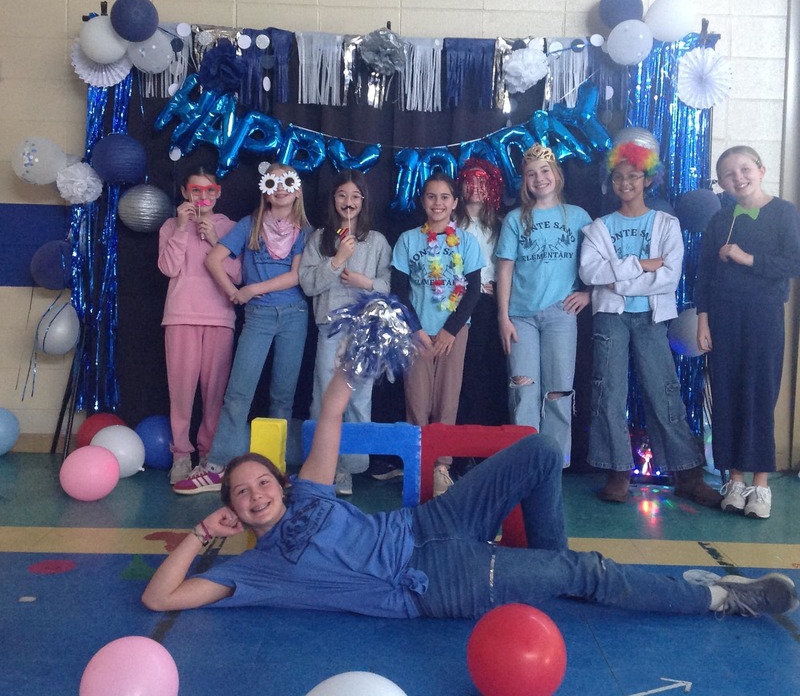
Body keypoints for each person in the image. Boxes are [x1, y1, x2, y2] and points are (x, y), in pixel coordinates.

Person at [141, 296, 798, 621]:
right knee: (585, 569)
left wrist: (355, 356)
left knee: (539, 448)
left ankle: (559, 573)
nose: (256, 494)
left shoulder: (308, 493)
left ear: (281, 484)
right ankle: (720, 598)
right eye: (243, 496)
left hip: (428, 524)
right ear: (234, 512)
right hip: (428, 582)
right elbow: (159, 596)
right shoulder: (255, 573)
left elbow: (335, 408)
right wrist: (200, 533)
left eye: (261, 481)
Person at [579, 140, 721, 507]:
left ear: (647, 180)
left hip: (652, 317)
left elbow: (669, 278)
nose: (626, 183)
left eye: (633, 176)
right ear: (611, 182)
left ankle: (687, 474)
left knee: (664, 390)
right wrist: (642, 264)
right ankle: (617, 471)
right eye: (619, 177)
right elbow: (591, 272)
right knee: (608, 392)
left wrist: (619, 276)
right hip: (611, 316)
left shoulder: (665, 224)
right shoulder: (598, 228)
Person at [173, 162, 310, 495]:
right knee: (238, 393)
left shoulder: (304, 229)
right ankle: (218, 465)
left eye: (287, 182)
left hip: (294, 315)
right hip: (259, 317)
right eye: (274, 182)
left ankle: (275, 468)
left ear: (297, 190)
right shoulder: (249, 225)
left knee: (282, 397)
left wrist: (250, 289)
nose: (281, 188)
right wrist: (234, 291)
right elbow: (213, 259)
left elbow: (296, 276)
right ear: (264, 187)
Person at [695, 146, 800, 519]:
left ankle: (761, 484)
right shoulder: (720, 220)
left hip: (764, 318)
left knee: (759, 394)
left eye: (744, 169)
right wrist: (703, 321)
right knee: (727, 394)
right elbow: (704, 276)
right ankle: (735, 480)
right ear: (721, 182)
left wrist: (747, 258)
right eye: (728, 174)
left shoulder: (785, 213)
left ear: (761, 168)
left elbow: (792, 261)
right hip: (724, 320)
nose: (738, 178)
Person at [495, 145, 591, 466]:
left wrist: (589, 294)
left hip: (560, 314)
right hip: (521, 316)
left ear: (557, 175)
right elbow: (505, 268)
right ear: (524, 181)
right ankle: (525, 460)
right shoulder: (514, 219)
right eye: (531, 174)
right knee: (523, 388)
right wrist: (503, 317)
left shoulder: (577, 217)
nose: (540, 178)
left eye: (545, 171)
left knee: (558, 391)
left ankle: (554, 462)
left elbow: (598, 262)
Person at [299, 170, 392, 496]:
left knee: (358, 397)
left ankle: (349, 468)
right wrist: (337, 259)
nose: (348, 202)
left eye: (355, 196)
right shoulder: (320, 238)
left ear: (363, 200)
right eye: (342, 195)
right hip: (330, 325)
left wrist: (364, 282)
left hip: (364, 328)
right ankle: (323, 463)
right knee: (325, 393)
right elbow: (309, 284)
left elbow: (389, 287)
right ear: (333, 199)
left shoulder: (377, 241)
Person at [392, 172, 484, 496]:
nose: (438, 203)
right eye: (431, 196)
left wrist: (450, 331)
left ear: (455, 203)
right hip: (416, 333)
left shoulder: (468, 243)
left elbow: (473, 292)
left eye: (445, 197)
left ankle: (441, 468)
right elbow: (400, 290)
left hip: (453, 333)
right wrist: (416, 328)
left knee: (447, 400)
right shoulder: (408, 240)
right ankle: (419, 466)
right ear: (423, 202)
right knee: (417, 401)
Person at [157, 167, 241, 484]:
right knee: (180, 393)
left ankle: (209, 455)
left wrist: (216, 241)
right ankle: (181, 455)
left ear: (218, 194)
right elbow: (168, 267)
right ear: (185, 193)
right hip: (180, 316)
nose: (202, 197)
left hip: (220, 318)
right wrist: (181, 228)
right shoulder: (170, 225)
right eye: (196, 190)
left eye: (209, 191)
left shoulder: (230, 227)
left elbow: (237, 275)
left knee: (215, 394)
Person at [455, 157, 508, 428]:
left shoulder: (499, 226)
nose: (475, 187)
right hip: (455, 303)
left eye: (482, 182)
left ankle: (480, 438)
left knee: (483, 370)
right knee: (460, 372)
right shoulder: (451, 221)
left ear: (492, 189)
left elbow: (505, 264)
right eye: (470, 181)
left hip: (486, 304)